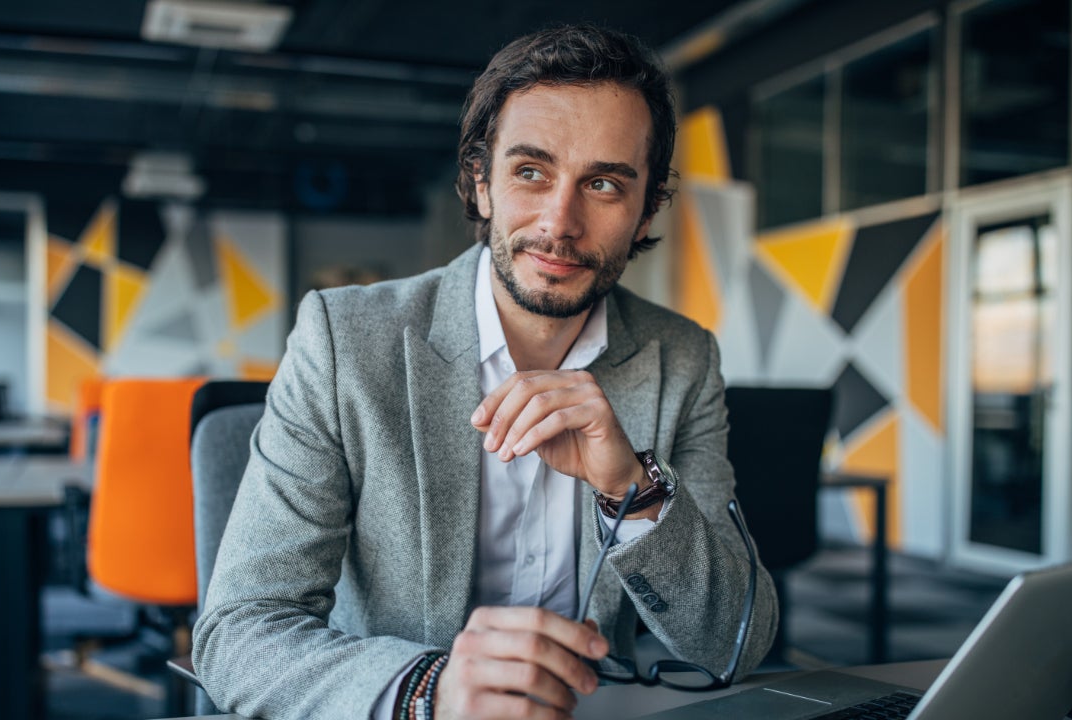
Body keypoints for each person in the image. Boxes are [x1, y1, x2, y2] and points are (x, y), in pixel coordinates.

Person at [192, 23, 778, 720]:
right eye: (531, 172)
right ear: (482, 181)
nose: (560, 222)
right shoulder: (344, 340)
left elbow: (738, 642)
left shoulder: (680, 357)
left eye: (604, 184)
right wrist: (427, 690)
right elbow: (237, 633)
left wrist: (634, 488)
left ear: (647, 207)